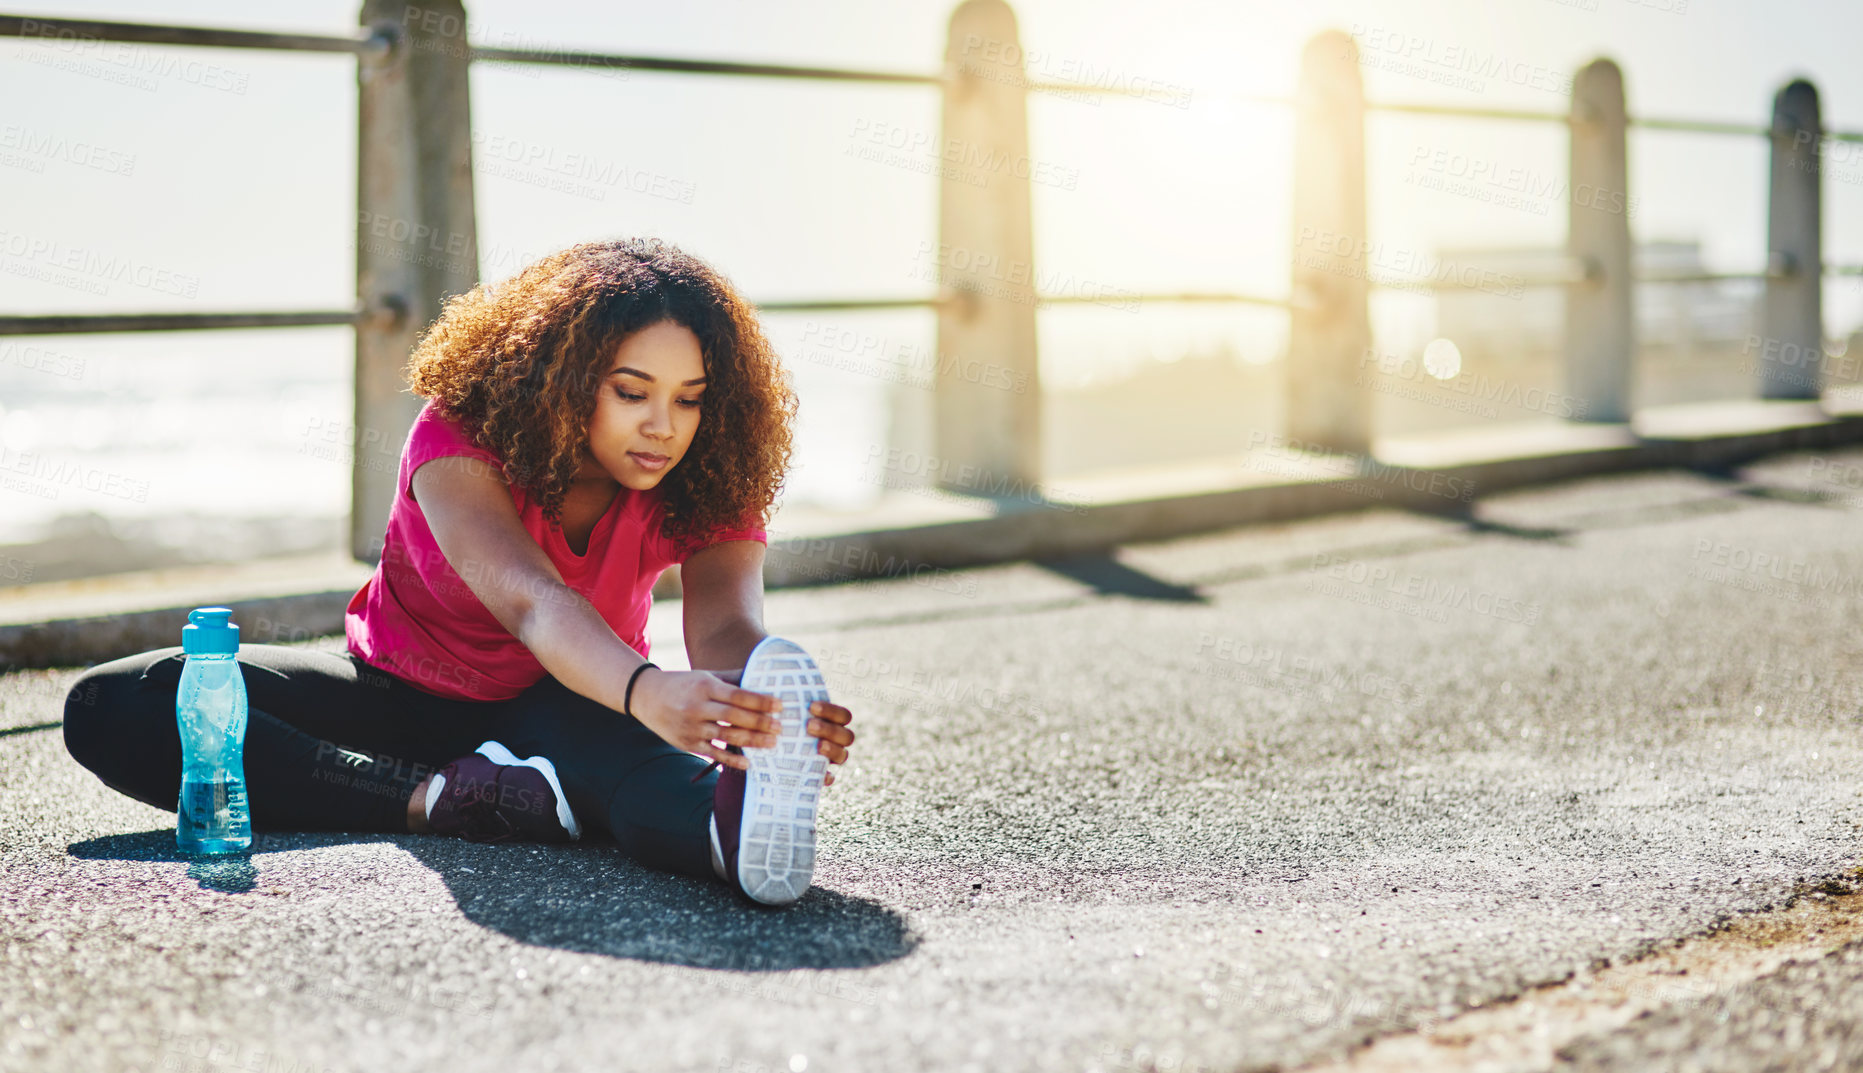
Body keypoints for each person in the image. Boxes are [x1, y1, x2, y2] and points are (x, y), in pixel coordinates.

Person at [61, 238, 855, 906]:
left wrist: (760, 710)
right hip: (395, 698)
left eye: (690, 399)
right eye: (631, 392)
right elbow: (531, 600)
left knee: (637, 769)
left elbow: (724, 623)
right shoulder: (461, 434)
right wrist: (648, 690)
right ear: (566, 373)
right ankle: (443, 799)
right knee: (114, 702)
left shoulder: (708, 469)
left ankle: (725, 834)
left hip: (568, 701)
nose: (663, 427)